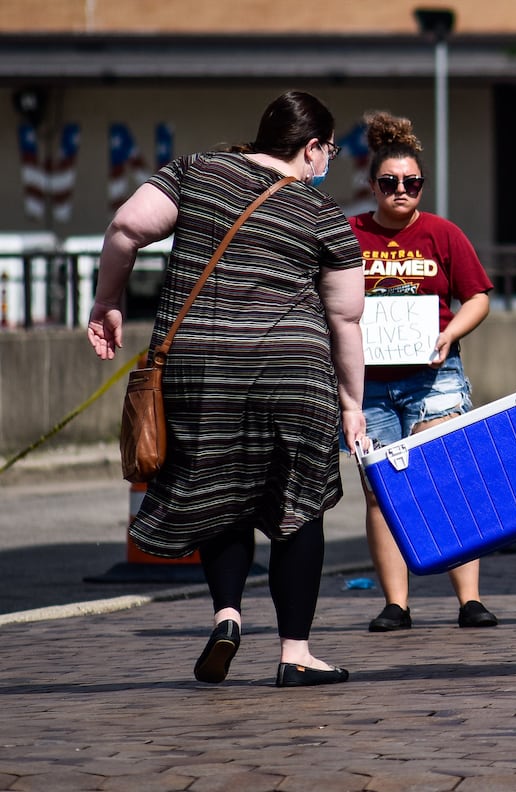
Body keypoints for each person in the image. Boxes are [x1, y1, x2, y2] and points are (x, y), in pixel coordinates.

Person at [87, 90, 365, 688]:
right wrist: (351, 403)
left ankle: (228, 617)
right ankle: (295, 654)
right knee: (298, 507)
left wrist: (107, 302)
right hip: (291, 373)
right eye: (329, 151)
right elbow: (345, 317)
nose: (328, 163)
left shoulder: (195, 171)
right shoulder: (322, 215)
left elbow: (126, 227)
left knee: (219, 490)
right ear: (311, 147)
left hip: (200, 368)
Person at [350, 112, 499, 633]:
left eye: (412, 183)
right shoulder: (349, 236)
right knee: (379, 492)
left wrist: (450, 333)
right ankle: (397, 604)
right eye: (389, 182)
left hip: (435, 379)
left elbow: (477, 296)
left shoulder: (442, 234)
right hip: (367, 385)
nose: (401, 190)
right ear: (372, 186)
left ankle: (470, 600)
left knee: (449, 477)